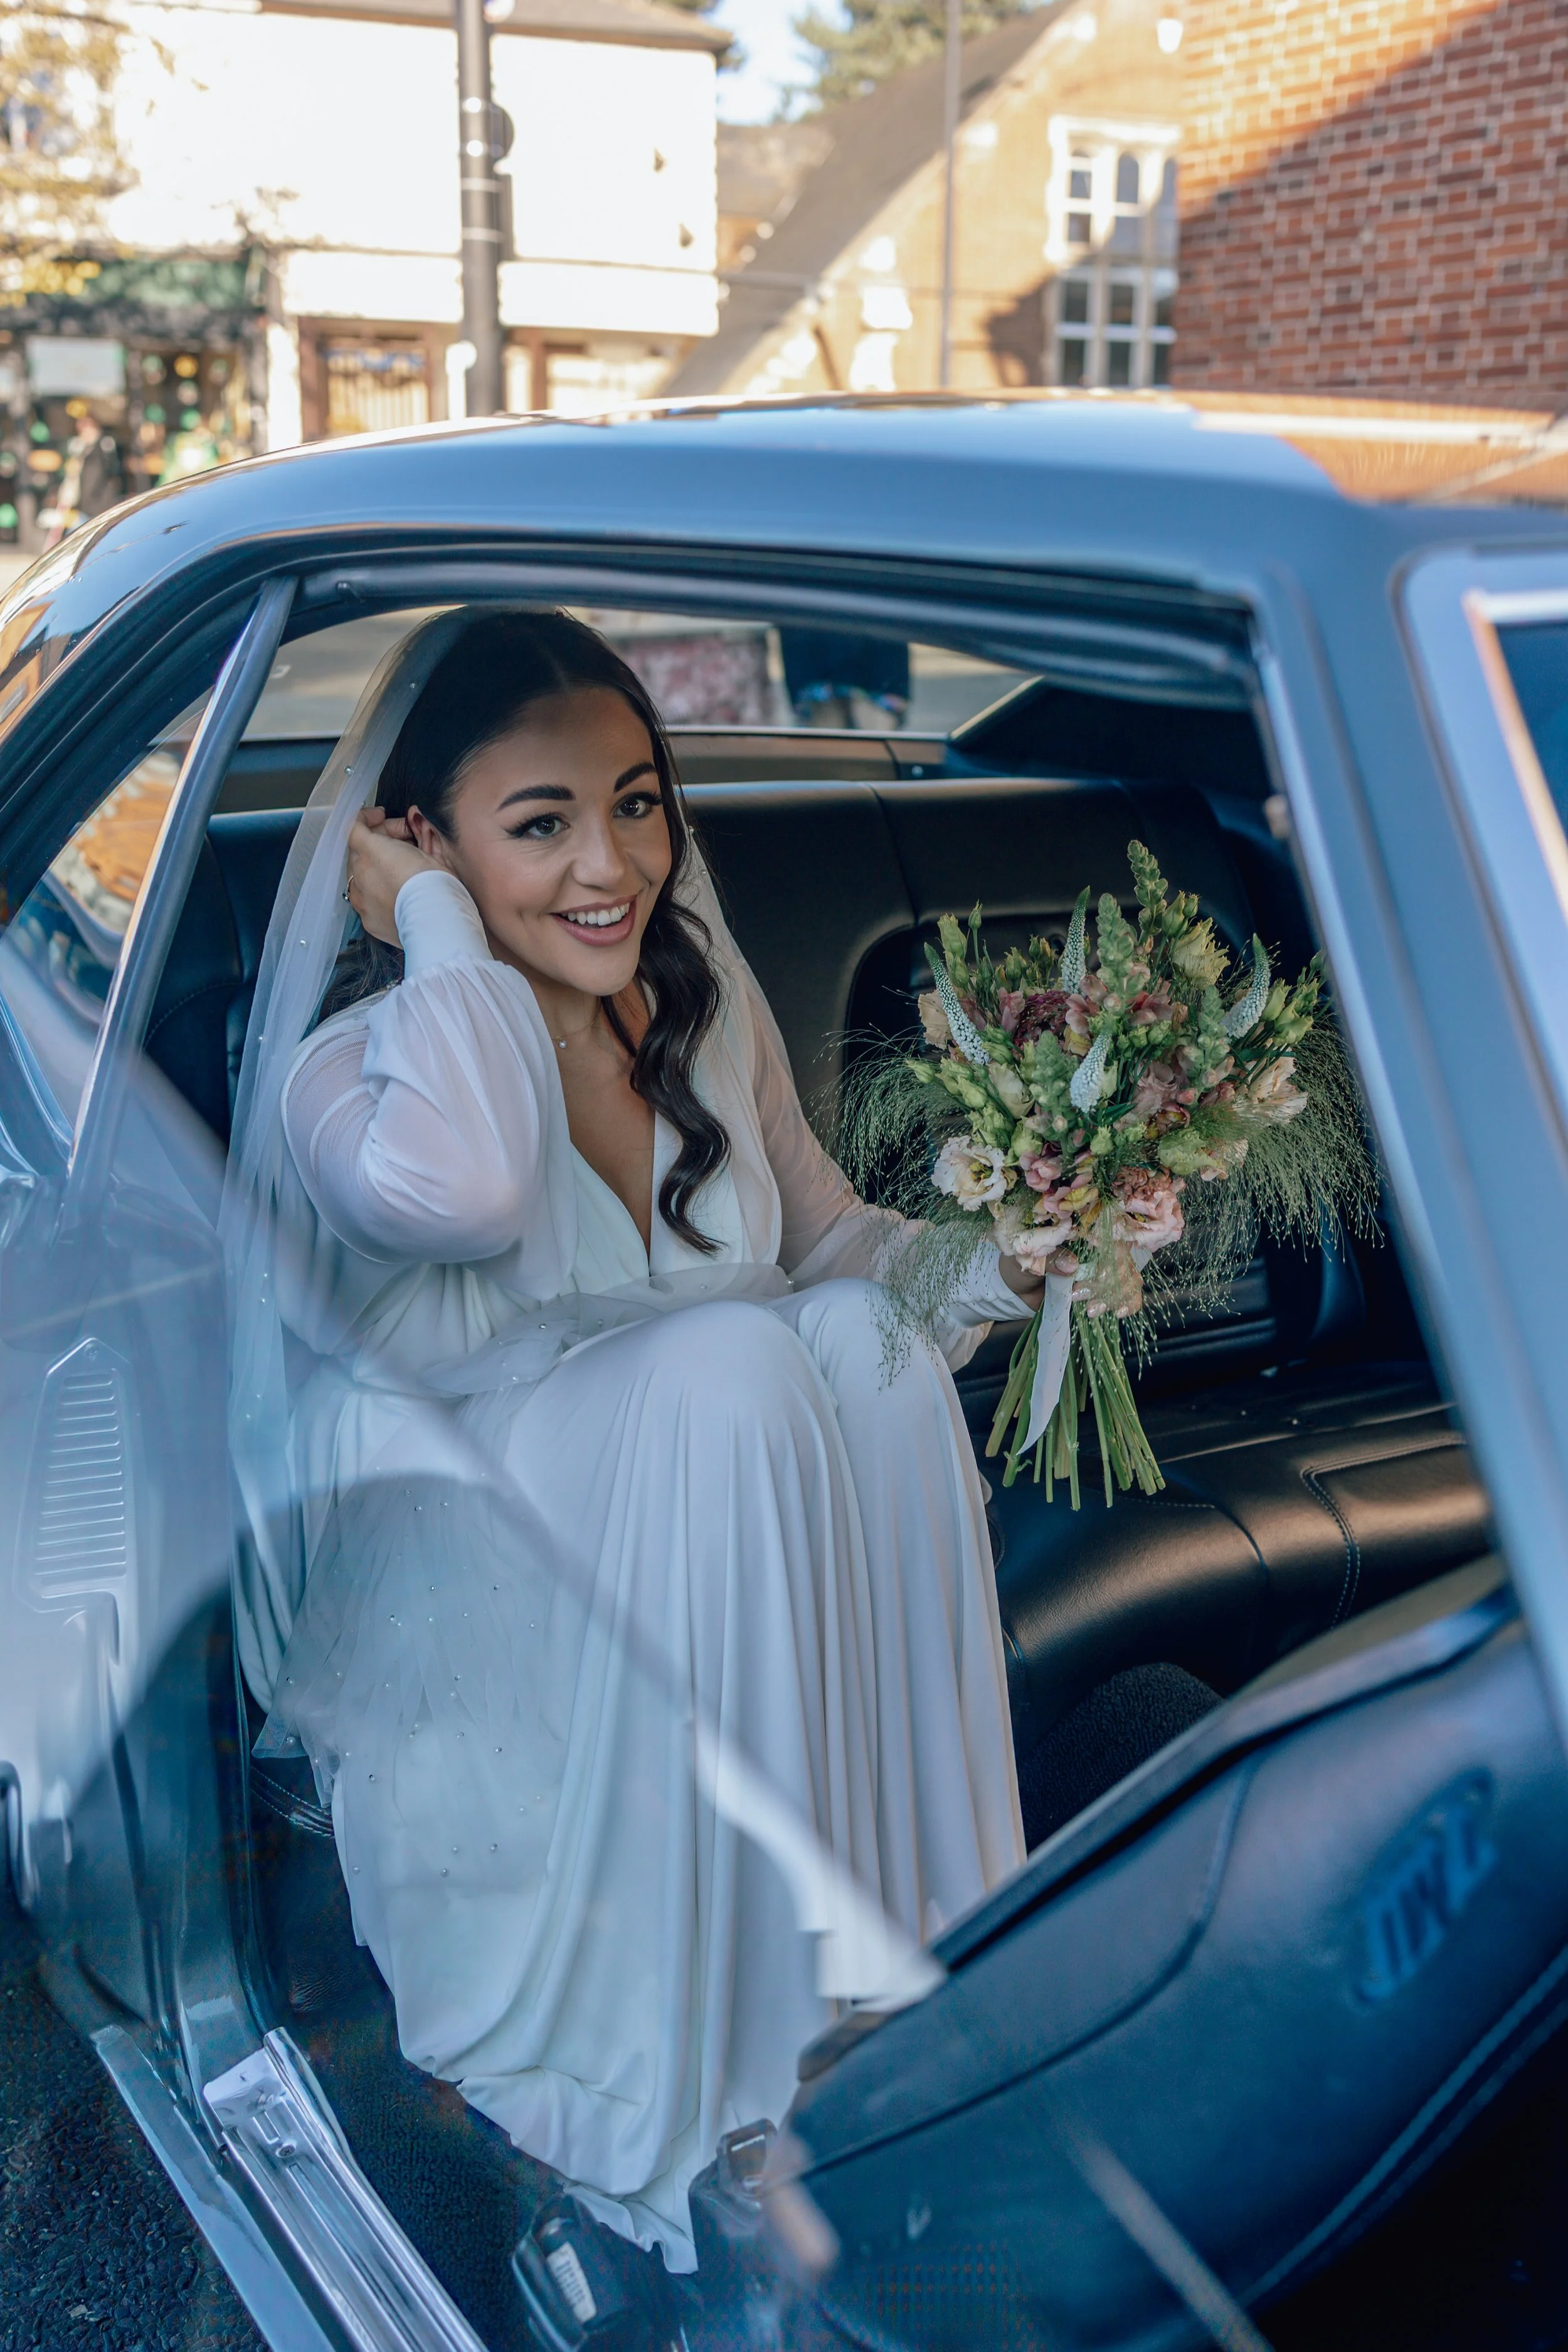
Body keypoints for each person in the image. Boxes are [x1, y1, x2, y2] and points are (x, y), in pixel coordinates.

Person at [225, 609, 1032, 2270]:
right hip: (485, 1585)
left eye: (639, 802)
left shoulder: (700, 1005)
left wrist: (1020, 1243)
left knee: (860, 1353)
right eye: (537, 824)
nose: (612, 864)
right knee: (730, 1363)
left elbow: (832, 1245)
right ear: (412, 842)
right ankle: (732, 2067)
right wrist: (443, 938)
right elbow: (469, 1190)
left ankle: (923, 1982)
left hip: (722, 1510)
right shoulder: (347, 1077)